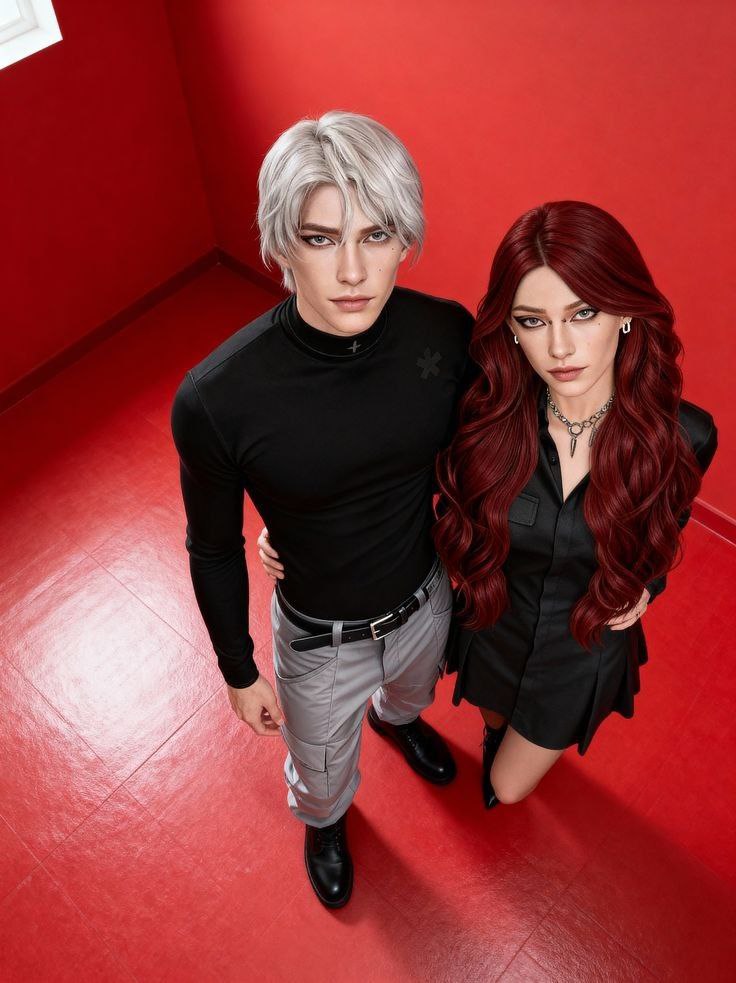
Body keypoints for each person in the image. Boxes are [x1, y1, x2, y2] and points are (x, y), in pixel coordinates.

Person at [170, 111, 473, 908]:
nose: (352, 270)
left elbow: (486, 460)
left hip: (426, 599)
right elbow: (210, 545)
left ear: (404, 238)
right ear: (281, 243)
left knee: (412, 695)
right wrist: (238, 668)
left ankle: (396, 720)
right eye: (320, 238)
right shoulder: (218, 398)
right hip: (318, 638)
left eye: (376, 235)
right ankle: (327, 818)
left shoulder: (445, 334)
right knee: (320, 767)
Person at [433, 200, 718, 808]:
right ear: (511, 328)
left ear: (624, 312)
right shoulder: (484, 415)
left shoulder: (684, 437)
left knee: (507, 788)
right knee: (493, 719)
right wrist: (299, 527)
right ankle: (496, 730)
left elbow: (668, 522)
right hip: (494, 621)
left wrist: (647, 586)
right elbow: (397, 479)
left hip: (581, 638)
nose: (560, 347)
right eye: (533, 321)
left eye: (582, 313)